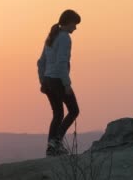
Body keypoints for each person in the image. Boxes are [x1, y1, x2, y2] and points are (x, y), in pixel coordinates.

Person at [37, 9, 81, 157]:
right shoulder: (64, 38)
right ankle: (56, 142)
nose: (75, 27)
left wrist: (42, 81)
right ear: (68, 22)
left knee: (58, 113)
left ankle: (51, 148)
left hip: (49, 80)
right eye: (75, 24)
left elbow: (41, 62)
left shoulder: (51, 36)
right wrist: (67, 84)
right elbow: (62, 63)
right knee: (74, 110)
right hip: (57, 80)